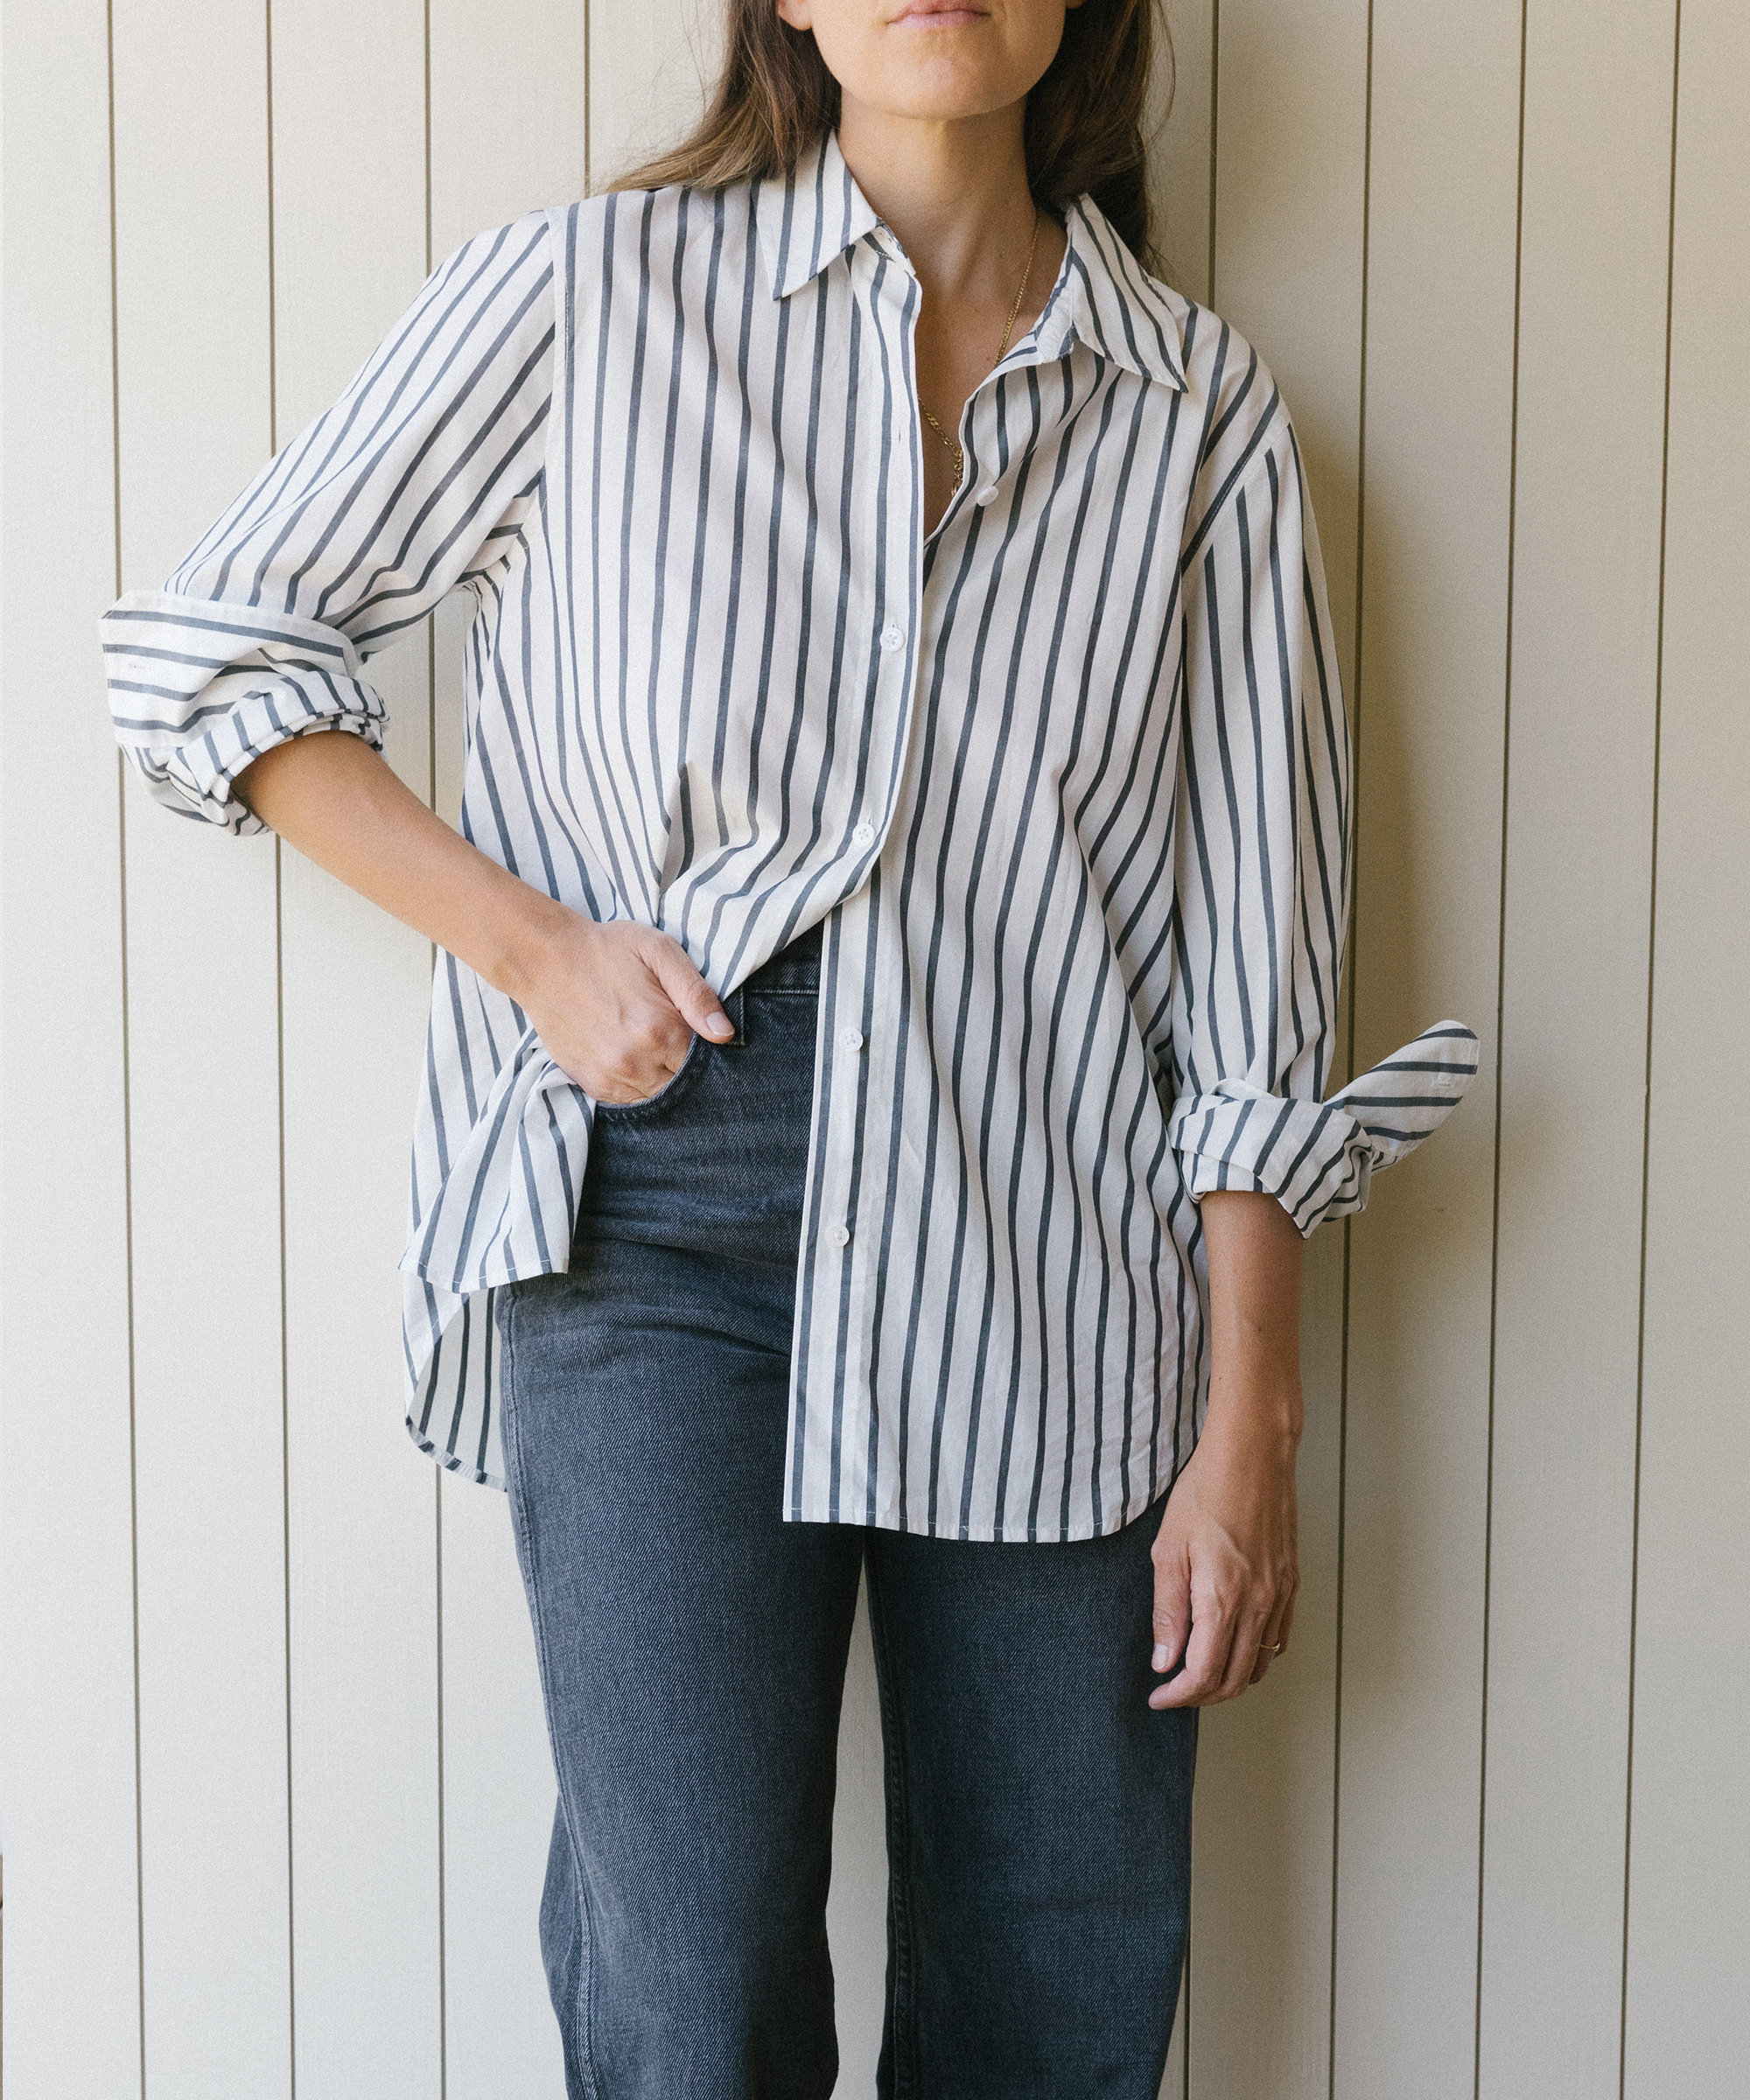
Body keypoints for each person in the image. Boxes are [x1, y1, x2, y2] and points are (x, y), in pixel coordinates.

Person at [101, 1, 1477, 2091]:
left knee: (1058, 1975)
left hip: (1057, 1252)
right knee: (696, 1986)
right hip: (658, 1213)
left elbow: (1258, 967)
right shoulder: (585, 299)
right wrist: (538, 948)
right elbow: (214, 646)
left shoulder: (1197, 414)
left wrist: (1251, 1420)